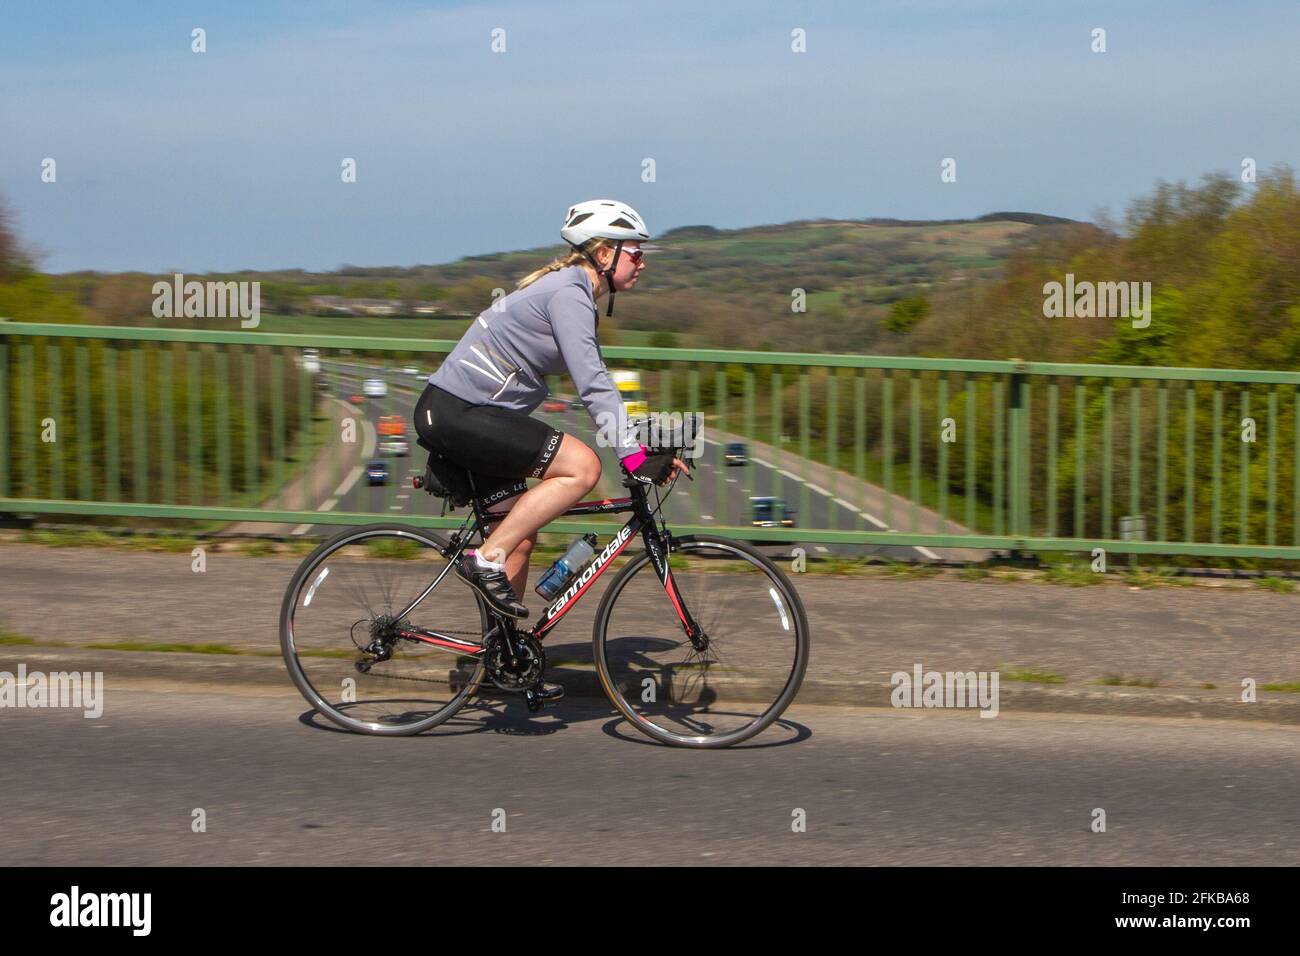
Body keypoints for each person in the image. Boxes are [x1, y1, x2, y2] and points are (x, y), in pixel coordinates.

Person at [413, 200, 690, 684]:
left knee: (520, 537)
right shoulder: (569, 294)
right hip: (458, 412)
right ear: (603, 253)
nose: (642, 262)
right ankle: (487, 558)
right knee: (581, 468)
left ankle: (505, 658)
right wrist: (634, 454)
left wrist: (640, 444)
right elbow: (594, 383)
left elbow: (597, 386)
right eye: (635, 253)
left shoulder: (573, 292)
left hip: (470, 414)